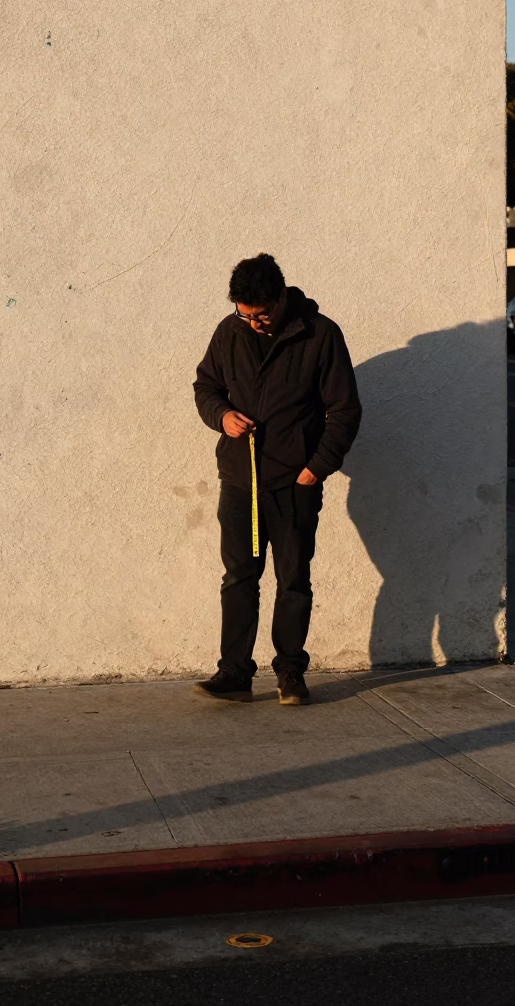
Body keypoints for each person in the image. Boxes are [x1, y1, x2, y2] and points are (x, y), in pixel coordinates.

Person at [192, 254, 362, 706]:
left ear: (281, 297)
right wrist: (221, 415)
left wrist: (316, 467)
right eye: (244, 315)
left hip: (295, 484)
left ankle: (290, 674)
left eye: (260, 314)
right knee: (238, 579)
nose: (252, 323)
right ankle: (234, 675)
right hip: (239, 481)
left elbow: (344, 410)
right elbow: (205, 386)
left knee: (293, 581)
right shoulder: (229, 332)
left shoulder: (320, 334)